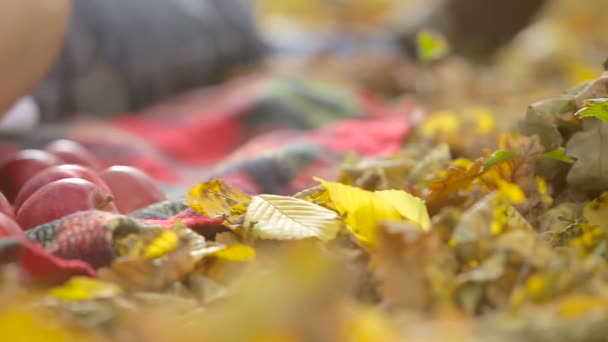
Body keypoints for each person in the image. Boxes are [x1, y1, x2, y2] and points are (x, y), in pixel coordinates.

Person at [0, 0, 547, 125]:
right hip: (58, 56)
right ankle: (419, 47)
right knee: (228, 30)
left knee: (244, 39)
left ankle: (417, 47)